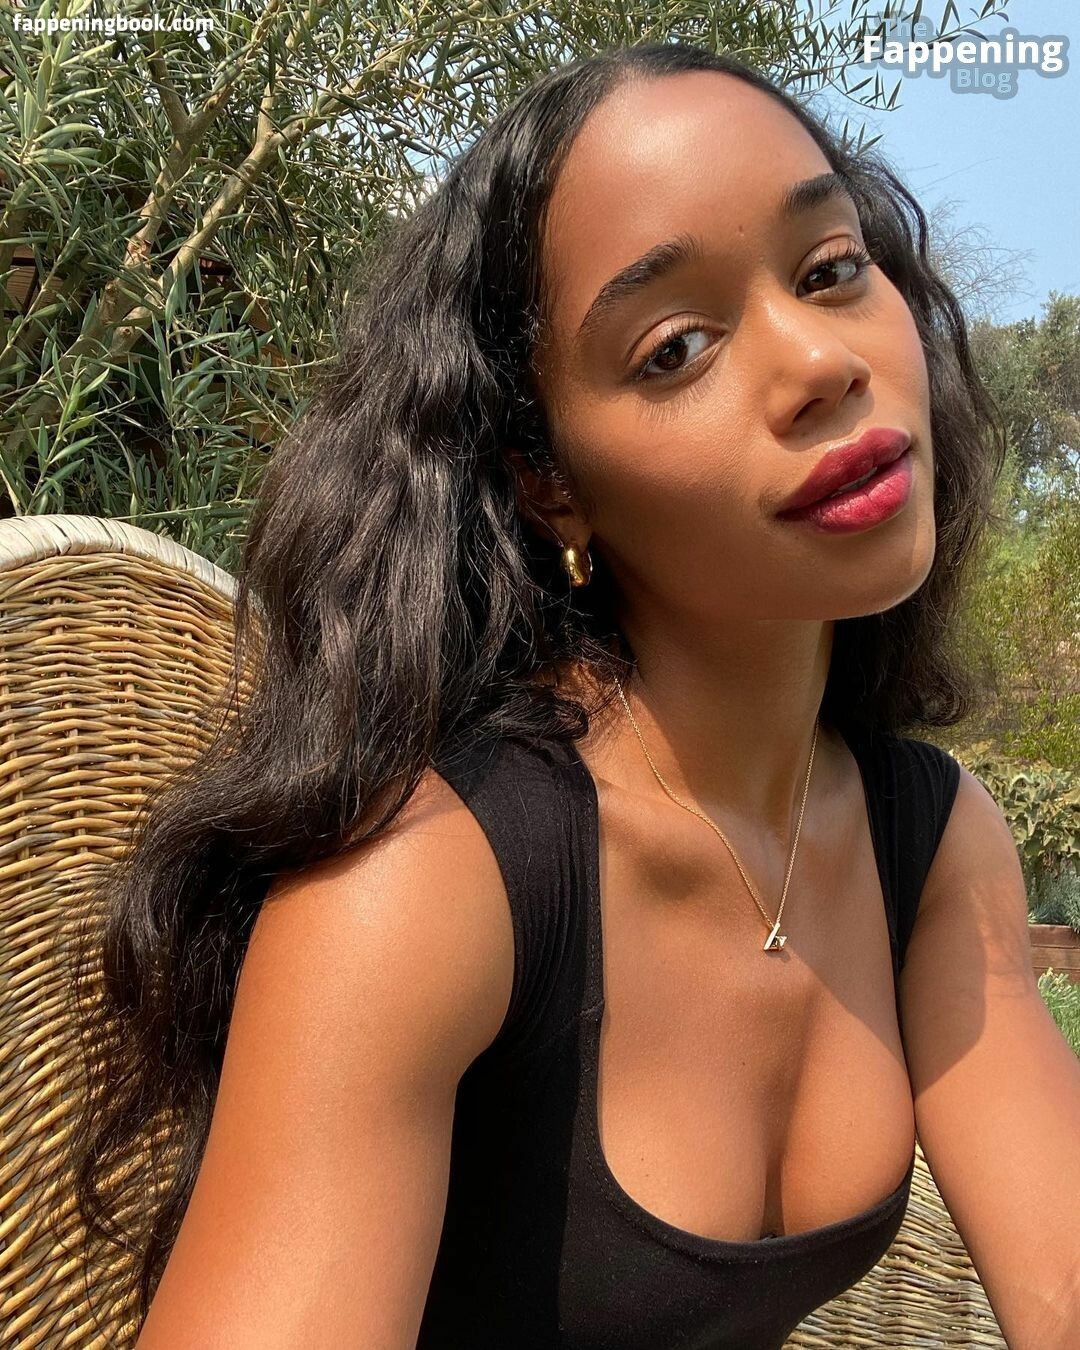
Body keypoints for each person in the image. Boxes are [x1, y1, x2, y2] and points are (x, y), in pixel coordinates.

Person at [68, 40, 1080, 1350]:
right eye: (675, 348)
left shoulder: (930, 846)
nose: (822, 364)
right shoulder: (429, 883)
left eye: (831, 270)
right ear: (549, 484)